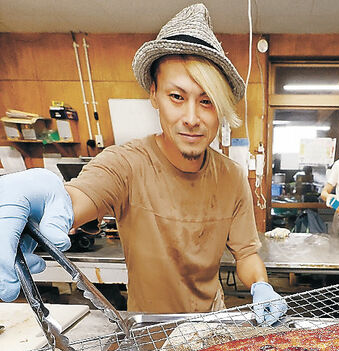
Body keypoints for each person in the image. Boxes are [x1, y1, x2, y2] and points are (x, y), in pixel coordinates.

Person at [0, 3, 287, 326]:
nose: (192, 118)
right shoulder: (126, 164)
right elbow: (78, 197)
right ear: (154, 95)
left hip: (211, 325)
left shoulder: (232, 177)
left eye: (206, 101)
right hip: (149, 328)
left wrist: (261, 286)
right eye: (177, 97)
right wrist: (48, 202)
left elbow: (246, 253)